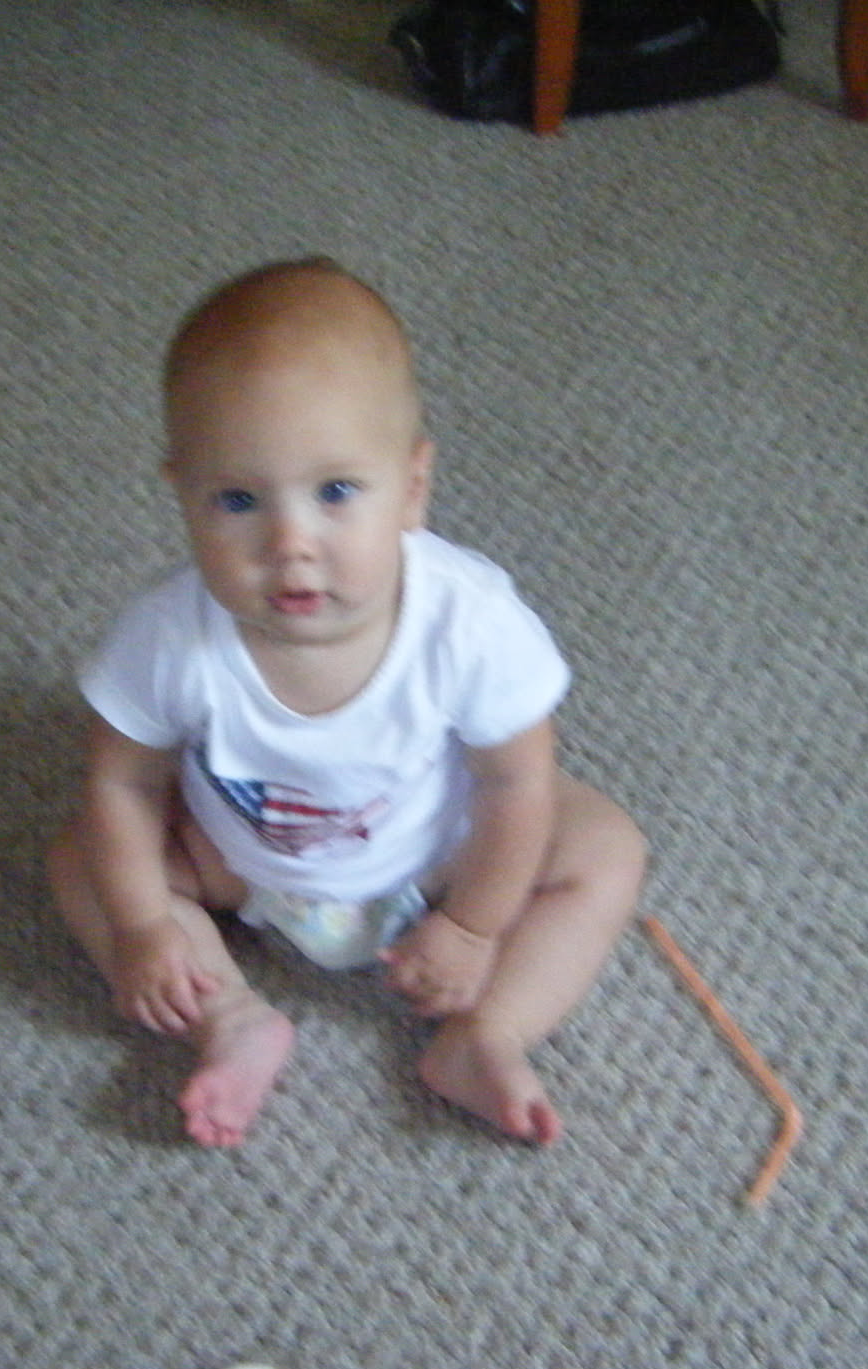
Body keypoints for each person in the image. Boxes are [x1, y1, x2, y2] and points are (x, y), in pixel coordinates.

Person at [48, 257, 647, 1148]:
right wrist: (140, 925)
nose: (291, 544)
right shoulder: (169, 635)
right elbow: (123, 782)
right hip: (243, 863)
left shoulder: (469, 621)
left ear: (412, 488)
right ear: (183, 495)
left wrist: (473, 925)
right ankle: (231, 1017)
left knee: (605, 850)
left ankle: (489, 1034)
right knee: (83, 857)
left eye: (335, 493)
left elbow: (515, 784)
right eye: (238, 500)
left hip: (433, 858)